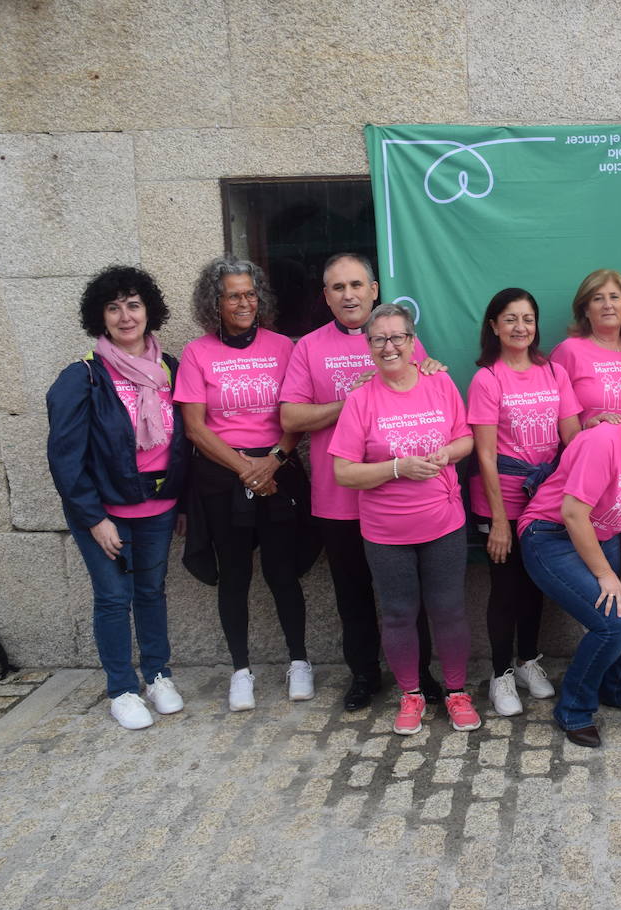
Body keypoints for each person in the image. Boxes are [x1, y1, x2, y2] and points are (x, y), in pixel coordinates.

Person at [279, 252, 447, 712]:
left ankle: (421, 675)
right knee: (352, 595)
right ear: (326, 298)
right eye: (338, 287)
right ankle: (364, 675)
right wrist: (352, 401)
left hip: (402, 499)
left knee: (412, 599)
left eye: (357, 285)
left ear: (375, 290)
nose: (349, 294)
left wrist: (432, 368)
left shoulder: (399, 337)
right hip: (340, 499)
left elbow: (428, 384)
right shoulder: (309, 347)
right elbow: (291, 415)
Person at [47, 266, 190, 730]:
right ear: (100, 317)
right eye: (114, 307)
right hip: (105, 512)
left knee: (151, 593)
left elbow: (184, 440)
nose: (125, 316)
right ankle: (122, 689)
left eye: (133, 304)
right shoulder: (82, 376)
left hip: (159, 507)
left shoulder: (170, 367)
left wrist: (182, 501)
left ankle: (157, 675)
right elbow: (66, 458)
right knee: (113, 597)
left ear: (149, 310)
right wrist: (93, 518)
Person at [330, 303, 480, 735]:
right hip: (386, 531)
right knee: (397, 614)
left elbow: (465, 438)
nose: (389, 345)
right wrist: (397, 468)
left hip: (443, 521)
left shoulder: (440, 383)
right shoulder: (361, 399)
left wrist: (446, 454)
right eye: (379, 339)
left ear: (413, 342)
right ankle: (411, 694)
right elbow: (344, 471)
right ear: (369, 347)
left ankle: (455, 692)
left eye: (398, 337)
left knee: (449, 610)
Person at [517, 368, 621, 748]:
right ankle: (574, 708)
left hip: (605, 537)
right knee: (615, 623)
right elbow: (574, 514)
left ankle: (618, 687)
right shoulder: (604, 440)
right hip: (551, 536)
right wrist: (606, 578)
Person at [177, 255, 316, 712]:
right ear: (214, 303)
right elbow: (196, 428)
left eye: (250, 293)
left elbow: (295, 415)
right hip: (223, 476)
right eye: (233, 295)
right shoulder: (198, 353)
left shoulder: (283, 347)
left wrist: (272, 462)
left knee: (282, 572)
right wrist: (245, 469)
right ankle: (241, 671)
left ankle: (299, 662)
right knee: (234, 575)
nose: (244, 302)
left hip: (277, 469)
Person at [467, 287, 581, 716]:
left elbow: (572, 438)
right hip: (502, 501)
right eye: (511, 319)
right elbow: (485, 454)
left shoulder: (553, 373)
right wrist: (499, 521)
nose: (521, 327)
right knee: (506, 589)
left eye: (528, 319)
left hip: (545, 499)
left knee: (537, 585)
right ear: (494, 326)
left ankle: (528, 661)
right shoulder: (487, 378)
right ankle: (500, 675)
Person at [549, 269, 621, 428]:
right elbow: (549, 411)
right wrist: (586, 427)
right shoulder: (569, 350)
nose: (608, 305)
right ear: (586, 310)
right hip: (589, 448)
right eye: (598, 299)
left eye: (614, 297)